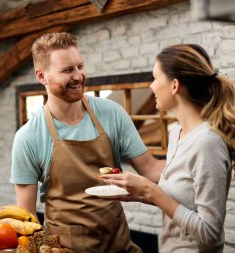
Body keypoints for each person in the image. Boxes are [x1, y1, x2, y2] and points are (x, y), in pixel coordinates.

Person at [10, 32, 165, 253]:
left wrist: (192, 162)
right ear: (41, 76)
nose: (78, 76)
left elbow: (150, 168)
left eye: (80, 66)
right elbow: (26, 216)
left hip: (118, 243)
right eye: (67, 70)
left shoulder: (111, 113)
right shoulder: (29, 137)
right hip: (66, 249)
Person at [102, 44, 235, 253]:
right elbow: (183, 203)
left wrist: (151, 191)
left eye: (155, 78)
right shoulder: (177, 133)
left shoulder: (207, 143)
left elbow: (209, 233)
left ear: (174, 86)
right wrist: (141, 195)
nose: (151, 86)